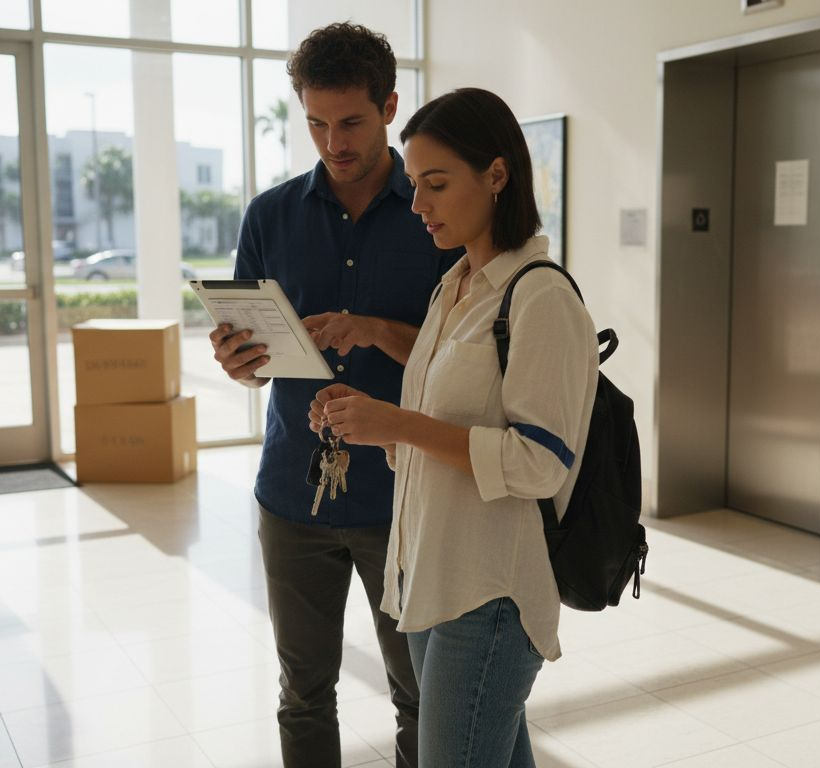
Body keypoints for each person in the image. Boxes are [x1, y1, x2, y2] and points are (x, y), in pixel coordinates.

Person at [310, 88, 599, 767]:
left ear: (496, 176)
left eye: (436, 184)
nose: (419, 206)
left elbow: (540, 461)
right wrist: (364, 421)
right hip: (428, 573)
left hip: (490, 592)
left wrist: (402, 425)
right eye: (414, 186)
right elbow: (432, 430)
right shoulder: (455, 288)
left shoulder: (541, 296)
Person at [208, 22, 459, 768]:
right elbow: (257, 365)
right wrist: (240, 363)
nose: (332, 141)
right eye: (316, 122)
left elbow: (465, 361)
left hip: (406, 493)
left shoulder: (439, 217)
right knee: (304, 693)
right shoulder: (269, 216)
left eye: (350, 121)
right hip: (293, 494)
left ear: (389, 106)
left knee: (421, 695)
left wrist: (378, 330)